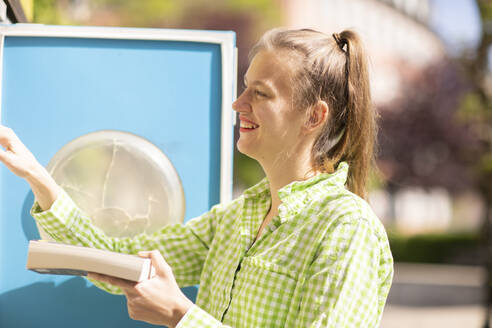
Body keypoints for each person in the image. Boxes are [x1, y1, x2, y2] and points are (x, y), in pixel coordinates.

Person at [0, 28, 393, 327]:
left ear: (314, 116)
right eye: (244, 89)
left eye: (261, 93)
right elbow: (116, 261)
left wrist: (180, 315)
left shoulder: (346, 229)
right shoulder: (236, 219)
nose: (239, 104)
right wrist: (38, 176)